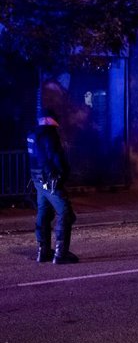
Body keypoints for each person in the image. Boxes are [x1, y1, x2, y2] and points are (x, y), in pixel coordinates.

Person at [27, 109, 78, 264]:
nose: (57, 123)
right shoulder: (49, 133)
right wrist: (57, 174)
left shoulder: (32, 134)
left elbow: (36, 157)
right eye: (55, 120)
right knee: (65, 212)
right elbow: (51, 157)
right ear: (48, 120)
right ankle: (60, 254)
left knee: (44, 211)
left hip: (37, 179)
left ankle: (43, 252)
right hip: (49, 180)